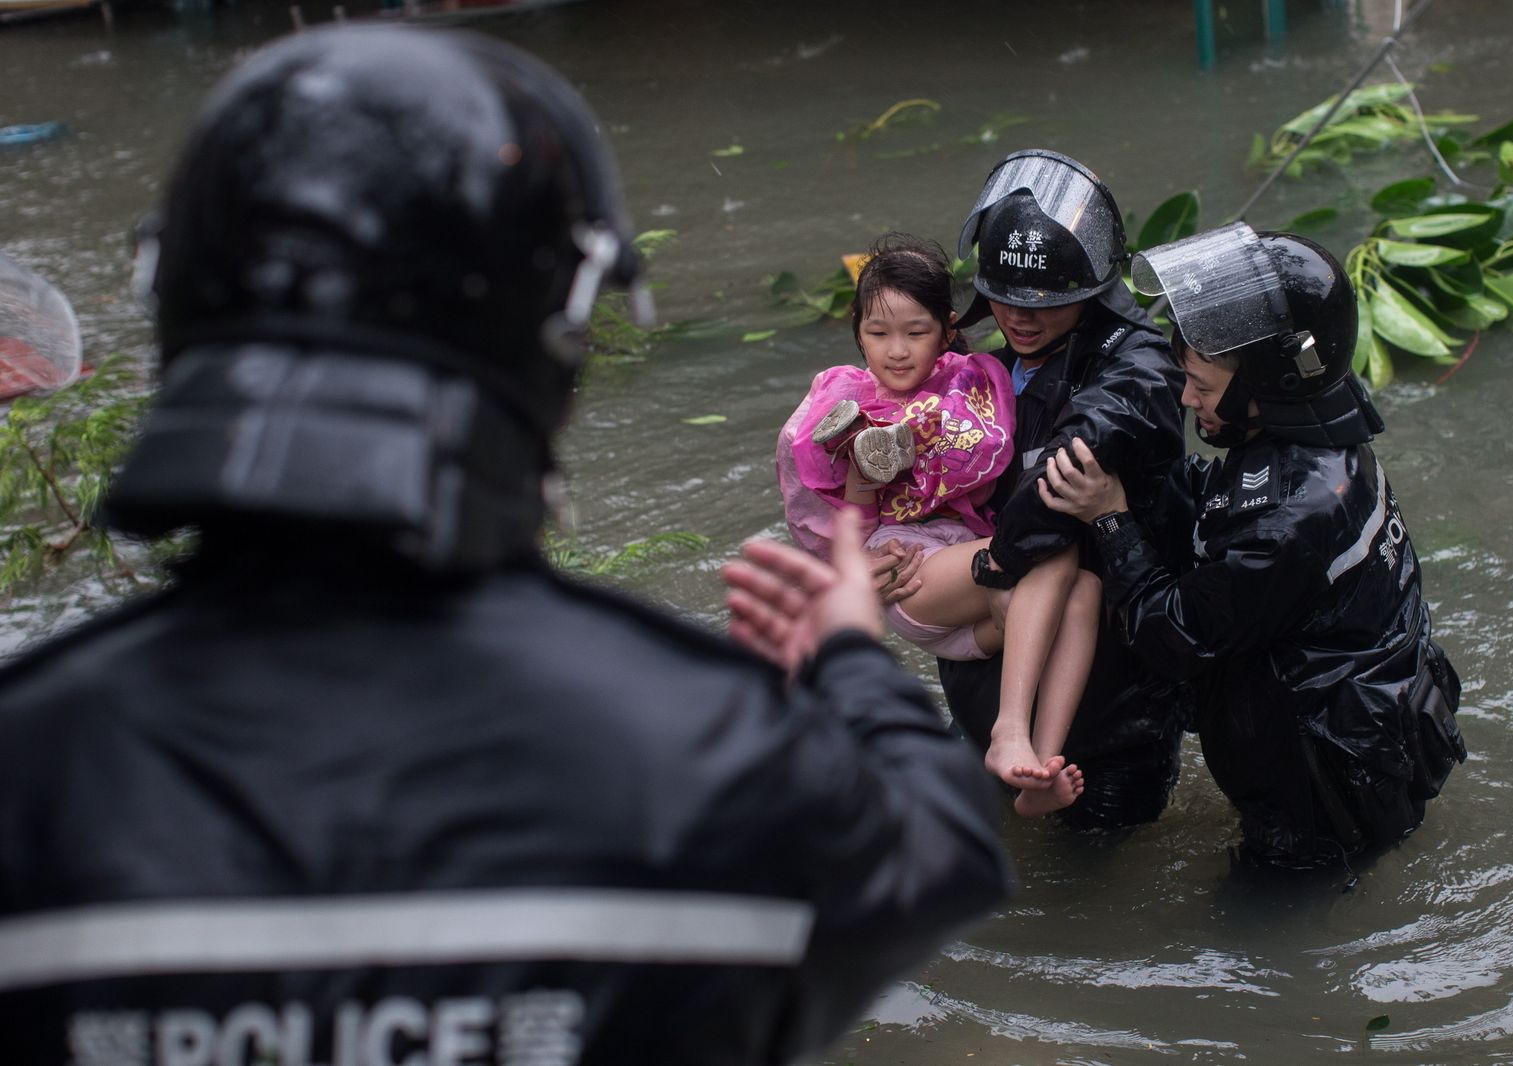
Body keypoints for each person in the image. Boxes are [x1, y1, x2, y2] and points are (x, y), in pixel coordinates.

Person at [0, 27, 1010, 1064]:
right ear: (559, 351)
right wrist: (848, 657)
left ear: (174, 309)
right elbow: (941, 852)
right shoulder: (700, 746)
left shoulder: (32, 765)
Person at [1039, 222, 1467, 868]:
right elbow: (1215, 505)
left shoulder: (1292, 517)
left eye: (1203, 388)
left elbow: (1173, 634)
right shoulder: (1318, 438)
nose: (1187, 399)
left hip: (1324, 800)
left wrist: (1110, 519)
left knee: (1257, 942)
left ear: (1268, 387)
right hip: (1365, 732)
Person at [777, 234, 1091, 815]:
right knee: (1047, 551)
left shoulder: (971, 383)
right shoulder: (847, 406)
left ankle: (1038, 772)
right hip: (911, 570)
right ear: (857, 335)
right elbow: (839, 525)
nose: (896, 351)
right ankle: (1010, 731)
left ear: (947, 330)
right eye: (878, 334)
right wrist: (862, 481)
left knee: (1082, 589)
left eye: (915, 333)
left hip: (974, 586)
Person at [936, 149, 1193, 829]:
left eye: (1046, 305)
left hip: (1111, 705)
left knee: (1100, 882)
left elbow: (1071, 461)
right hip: (986, 678)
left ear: (1092, 292)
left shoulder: (1141, 366)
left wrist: (991, 564)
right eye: (1005, 300)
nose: (1021, 320)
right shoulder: (975, 371)